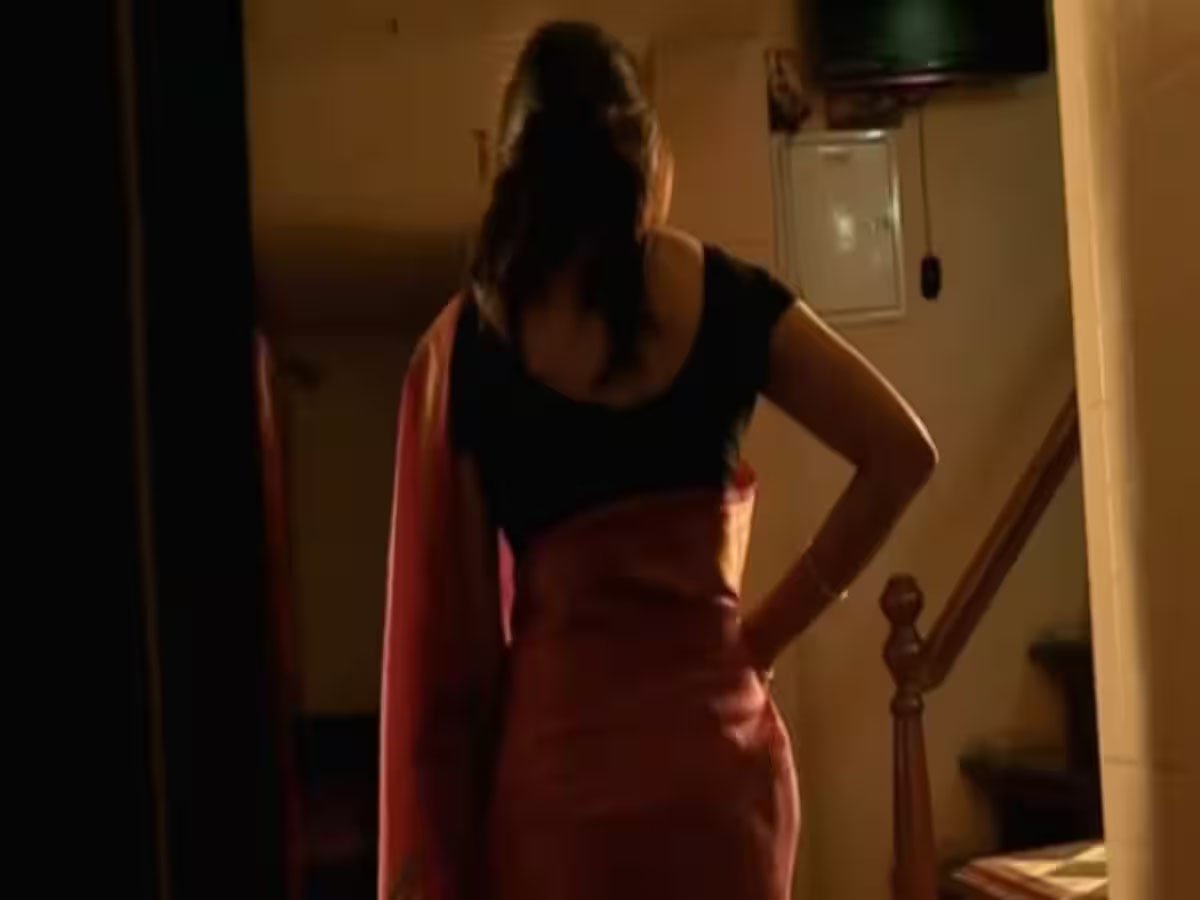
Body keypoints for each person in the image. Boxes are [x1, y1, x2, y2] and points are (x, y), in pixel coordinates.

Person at [378, 21, 936, 900]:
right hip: (718, 785)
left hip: (563, 810)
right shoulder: (727, 295)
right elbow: (902, 453)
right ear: (645, 153)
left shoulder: (479, 349)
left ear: (512, 173)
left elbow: (476, 660)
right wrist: (762, 634)